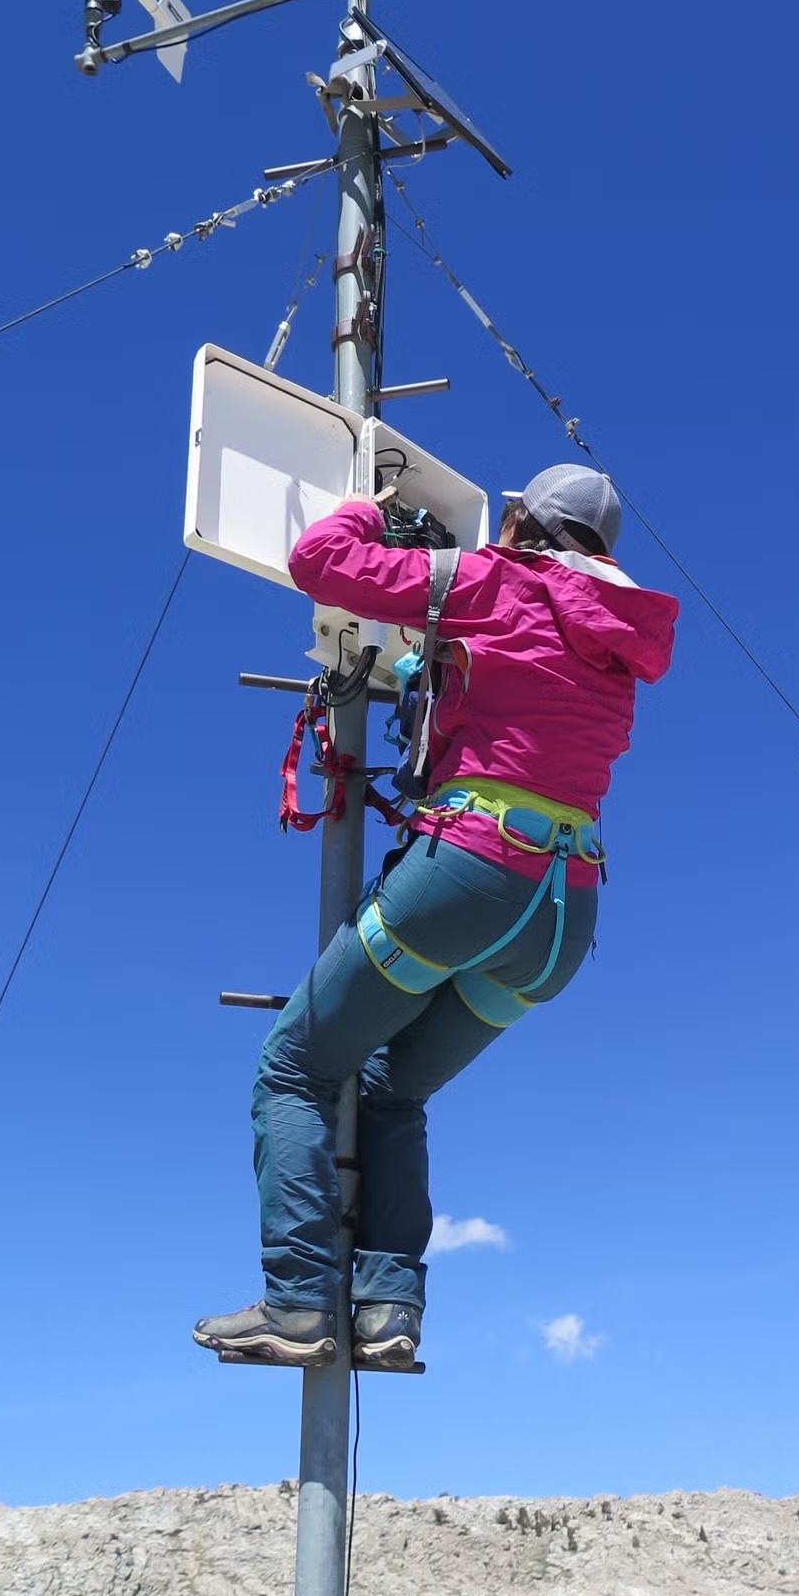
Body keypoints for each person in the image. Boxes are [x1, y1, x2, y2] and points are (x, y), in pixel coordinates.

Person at [193, 463, 677, 1369]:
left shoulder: (487, 580)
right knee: (392, 1089)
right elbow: (528, 692)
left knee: (295, 1068)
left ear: (523, 520)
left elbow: (319, 559)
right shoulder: (617, 628)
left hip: (470, 871)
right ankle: (386, 1313)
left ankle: (299, 1304)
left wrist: (368, 507)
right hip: (562, 913)